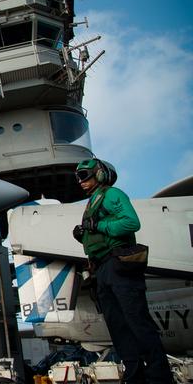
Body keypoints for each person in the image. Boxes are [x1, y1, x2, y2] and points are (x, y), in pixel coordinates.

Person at [72, 158, 173, 383]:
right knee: (117, 326)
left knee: (137, 320)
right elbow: (100, 236)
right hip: (103, 270)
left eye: (84, 175)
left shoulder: (112, 195)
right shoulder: (93, 202)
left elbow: (130, 223)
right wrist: (84, 235)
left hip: (119, 265)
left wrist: (98, 226)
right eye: (78, 177)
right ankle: (134, 374)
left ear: (99, 174)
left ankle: (159, 377)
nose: (80, 181)